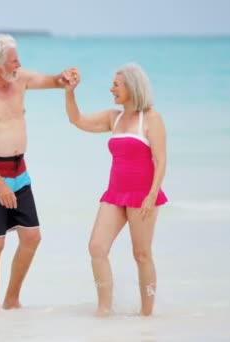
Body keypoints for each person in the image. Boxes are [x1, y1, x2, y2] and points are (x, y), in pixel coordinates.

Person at [0, 33, 77, 312]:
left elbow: (52, 81)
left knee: (32, 237)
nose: (18, 64)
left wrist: (65, 78)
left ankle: (11, 300)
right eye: (13, 61)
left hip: (19, 171)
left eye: (18, 60)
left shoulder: (20, 79)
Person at [63, 63, 168, 317]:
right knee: (96, 247)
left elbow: (161, 160)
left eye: (116, 85)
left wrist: (152, 194)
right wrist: (70, 92)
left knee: (141, 254)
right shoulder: (114, 117)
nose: (111, 89)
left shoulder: (151, 118)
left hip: (143, 195)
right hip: (115, 194)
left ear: (132, 87)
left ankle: (146, 314)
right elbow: (77, 120)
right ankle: (104, 310)